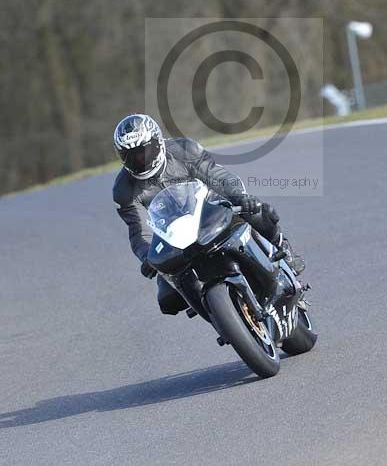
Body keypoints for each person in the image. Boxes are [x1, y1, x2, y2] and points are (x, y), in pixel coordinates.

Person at [112, 113, 305, 315]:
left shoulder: (184, 150)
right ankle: (217, 314)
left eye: (144, 151)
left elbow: (218, 177)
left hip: (211, 211)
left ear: (158, 142)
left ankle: (283, 249)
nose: (139, 159)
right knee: (167, 299)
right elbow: (139, 230)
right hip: (175, 238)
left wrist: (240, 197)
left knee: (260, 213)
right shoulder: (124, 190)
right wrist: (147, 257)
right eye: (131, 155)